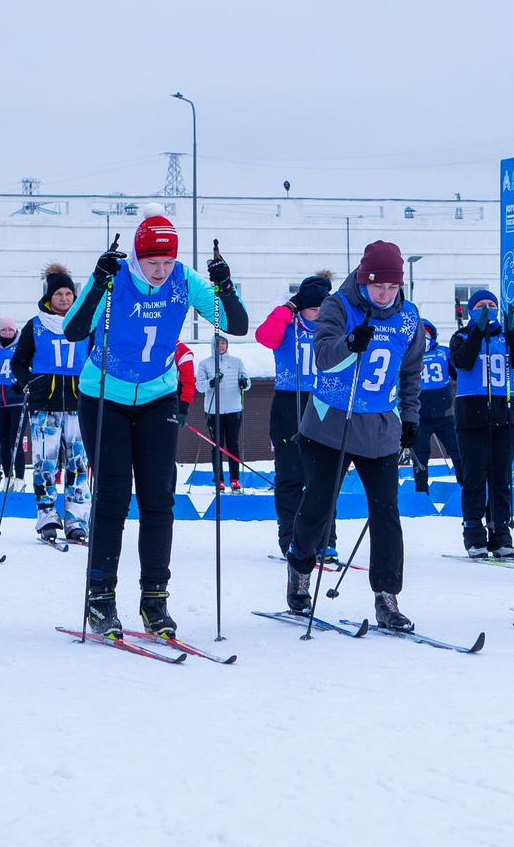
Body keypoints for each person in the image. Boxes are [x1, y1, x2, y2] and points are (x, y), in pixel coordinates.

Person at [60, 214, 246, 639]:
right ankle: (100, 598)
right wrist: (97, 278)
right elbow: (74, 330)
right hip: (104, 394)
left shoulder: (184, 280)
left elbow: (235, 325)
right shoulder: (114, 277)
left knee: (159, 498)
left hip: (158, 394)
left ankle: (154, 600)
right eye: (151, 262)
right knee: (111, 497)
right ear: (137, 258)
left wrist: (225, 286)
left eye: (166, 261)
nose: (160, 271)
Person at [285, 241, 424, 631]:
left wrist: (410, 417)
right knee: (319, 503)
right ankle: (299, 567)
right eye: (378, 287)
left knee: (386, 512)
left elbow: (411, 372)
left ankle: (386, 596)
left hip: (379, 426)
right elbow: (323, 356)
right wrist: (349, 343)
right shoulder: (337, 306)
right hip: (331, 423)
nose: (384, 295)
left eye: (392, 288)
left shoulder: (408, 318)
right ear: (364, 280)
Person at [255, 271, 336, 564]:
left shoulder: (334, 326)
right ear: (301, 307)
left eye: (322, 308)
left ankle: (326, 538)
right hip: (290, 401)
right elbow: (263, 336)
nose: (318, 314)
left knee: (326, 475)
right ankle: (289, 536)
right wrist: (288, 308)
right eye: (312, 308)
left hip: (326, 402)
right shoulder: (287, 325)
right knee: (290, 474)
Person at [447, 287, 514, 559]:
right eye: (481, 305)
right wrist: (476, 331)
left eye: (491, 304)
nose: (487, 308)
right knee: (474, 477)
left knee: (501, 478)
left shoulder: (506, 336)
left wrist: (513, 329)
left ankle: (501, 533)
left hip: (504, 414)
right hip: (472, 414)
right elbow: (462, 363)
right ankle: (473, 533)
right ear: (471, 310)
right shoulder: (460, 336)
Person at [13, 264, 90, 543]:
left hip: (79, 405)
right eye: (59, 293)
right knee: (45, 463)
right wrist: (30, 383)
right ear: (49, 296)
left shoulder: (84, 324)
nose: (64, 298)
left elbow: (97, 359)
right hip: (45, 407)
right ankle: (47, 515)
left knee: (78, 463)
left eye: (69, 293)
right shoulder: (36, 325)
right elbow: (18, 363)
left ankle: (77, 518)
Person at [411, 319, 460, 495]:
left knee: (457, 450)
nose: (424, 336)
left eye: (427, 332)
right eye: (420, 333)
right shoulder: (409, 355)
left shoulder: (443, 352)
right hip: (419, 416)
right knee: (420, 455)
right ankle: (421, 492)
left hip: (444, 414)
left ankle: (465, 486)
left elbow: (458, 373)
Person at [196, 333, 250, 491]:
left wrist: (244, 383)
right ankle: (219, 480)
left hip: (234, 409)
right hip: (214, 411)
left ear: (227, 345)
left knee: (233, 444)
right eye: (217, 343)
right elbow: (199, 386)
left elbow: (247, 382)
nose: (220, 346)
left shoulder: (236, 362)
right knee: (217, 445)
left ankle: (234, 479)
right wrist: (211, 383)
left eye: (223, 343)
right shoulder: (205, 364)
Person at [0, 317, 28, 491]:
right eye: (4, 330)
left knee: (14, 440)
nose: (7, 333)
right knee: (3, 442)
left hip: (17, 401)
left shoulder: (20, 346)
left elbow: (28, 366)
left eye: (10, 330)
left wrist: (22, 382)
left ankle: (20, 479)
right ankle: (8, 478)